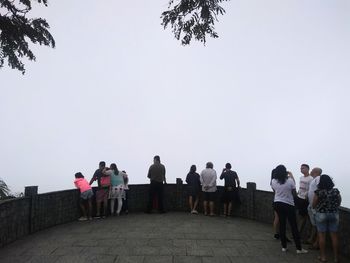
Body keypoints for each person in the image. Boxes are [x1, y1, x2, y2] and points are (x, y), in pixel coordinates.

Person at [271, 165, 308, 254]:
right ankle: (299, 248)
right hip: (288, 204)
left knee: (282, 225)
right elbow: (294, 193)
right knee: (294, 226)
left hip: (277, 203)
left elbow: (275, 191)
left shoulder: (273, 181)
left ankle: (284, 247)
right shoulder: (290, 180)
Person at [313, 174, 341, 263]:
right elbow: (339, 201)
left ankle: (323, 257)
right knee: (334, 236)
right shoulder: (335, 191)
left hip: (321, 214)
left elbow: (314, 204)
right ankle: (336, 258)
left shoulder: (318, 192)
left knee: (322, 236)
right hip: (333, 214)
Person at [306, 167, 322, 249]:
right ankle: (311, 240)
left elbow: (319, 189)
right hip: (312, 205)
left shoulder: (318, 178)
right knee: (314, 224)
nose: (311, 171)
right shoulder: (314, 179)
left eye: (312, 170)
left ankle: (315, 243)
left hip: (315, 206)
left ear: (316, 172)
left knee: (317, 225)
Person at [296, 163, 313, 235]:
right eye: (301, 168)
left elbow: (310, 189)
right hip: (299, 197)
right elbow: (300, 187)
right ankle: (297, 232)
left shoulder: (311, 178)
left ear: (307, 169)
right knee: (299, 215)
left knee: (303, 216)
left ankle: (299, 233)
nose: (301, 169)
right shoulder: (301, 178)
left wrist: (307, 196)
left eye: (303, 168)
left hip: (305, 199)